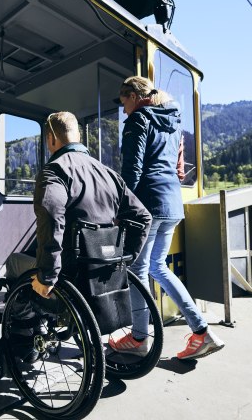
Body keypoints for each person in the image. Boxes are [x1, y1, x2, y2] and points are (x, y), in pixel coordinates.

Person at [108, 76, 225, 360]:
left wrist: (118, 209)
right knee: (157, 267)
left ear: (134, 96)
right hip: (172, 204)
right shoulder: (174, 122)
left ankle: (139, 338)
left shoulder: (139, 120)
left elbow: (132, 171)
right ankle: (201, 330)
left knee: (137, 270)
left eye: (124, 103)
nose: (124, 111)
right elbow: (179, 170)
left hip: (147, 204)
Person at [5, 110, 151, 303]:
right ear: (79, 136)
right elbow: (143, 217)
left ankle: (25, 326)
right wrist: (123, 259)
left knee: (15, 261)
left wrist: (47, 276)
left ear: (51, 139)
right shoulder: (109, 174)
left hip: (71, 271)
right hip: (103, 266)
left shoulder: (54, 171)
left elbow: (51, 217)